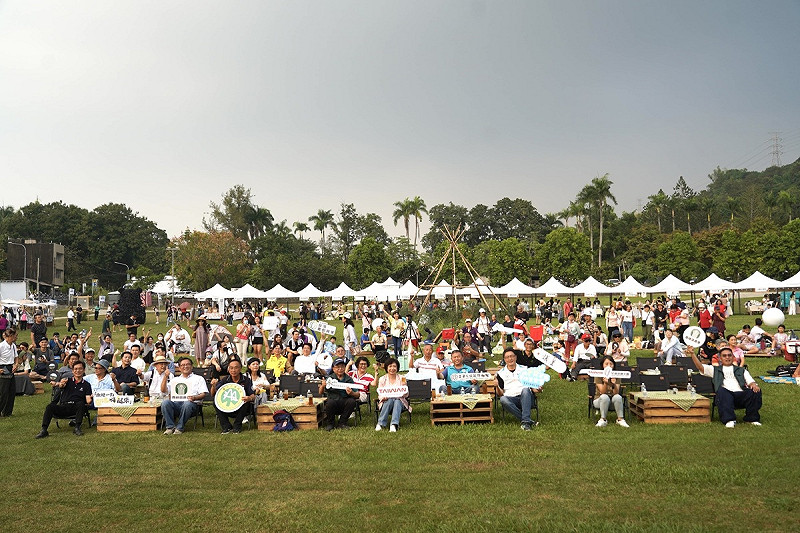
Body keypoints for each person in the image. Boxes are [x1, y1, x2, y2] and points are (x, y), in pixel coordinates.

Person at [689, 346, 762, 428]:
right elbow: (700, 367)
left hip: (741, 395)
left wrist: (753, 384)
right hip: (725, 396)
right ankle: (729, 420)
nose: (727, 357)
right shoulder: (714, 369)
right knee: (722, 391)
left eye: (729, 355)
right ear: (720, 358)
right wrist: (692, 353)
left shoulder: (741, 370)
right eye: (724, 356)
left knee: (755, 391)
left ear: (733, 357)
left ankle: (752, 419)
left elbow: (750, 381)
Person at [35, 360, 92, 438]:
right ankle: (44, 430)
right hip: (64, 406)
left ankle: (77, 427)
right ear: (72, 371)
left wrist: (91, 397)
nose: (77, 371)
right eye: (75, 369)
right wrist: (60, 385)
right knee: (50, 406)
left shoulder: (86, 385)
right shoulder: (67, 381)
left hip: (76, 408)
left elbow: (88, 400)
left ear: (84, 370)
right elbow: (61, 385)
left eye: (80, 369)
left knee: (81, 404)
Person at [161, 357, 208, 435]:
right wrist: (165, 376)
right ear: (179, 368)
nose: (185, 366)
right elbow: (163, 390)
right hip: (177, 404)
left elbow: (203, 393)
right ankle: (170, 427)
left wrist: (194, 397)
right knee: (165, 403)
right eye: (182, 365)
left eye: (187, 364)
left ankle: (180, 427)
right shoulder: (175, 380)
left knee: (187, 403)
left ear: (192, 366)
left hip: (192, 405)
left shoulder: (199, 379)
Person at [496, 348, 538, 430]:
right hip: (511, 399)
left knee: (525, 390)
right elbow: (500, 394)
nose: (510, 359)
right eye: (507, 357)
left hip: (526, 397)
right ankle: (527, 420)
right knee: (503, 399)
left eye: (512, 356)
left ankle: (525, 421)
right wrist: (497, 386)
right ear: (504, 359)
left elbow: (533, 387)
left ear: (516, 357)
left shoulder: (525, 369)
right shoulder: (501, 373)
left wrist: (538, 389)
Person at [210, 359, 255, 434]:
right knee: (215, 402)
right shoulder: (225, 380)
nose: (233, 370)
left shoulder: (246, 380)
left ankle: (237, 426)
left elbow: (253, 395)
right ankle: (226, 427)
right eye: (231, 368)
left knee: (245, 402)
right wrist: (213, 385)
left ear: (240, 368)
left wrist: (249, 398)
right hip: (227, 407)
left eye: (236, 368)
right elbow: (213, 394)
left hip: (242, 407)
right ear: (228, 369)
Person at [319, 358, 359, 431]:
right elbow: (320, 393)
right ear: (333, 369)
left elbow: (357, 394)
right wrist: (322, 386)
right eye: (338, 367)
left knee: (351, 401)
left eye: (342, 367)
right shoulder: (330, 378)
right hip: (333, 401)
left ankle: (342, 423)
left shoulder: (349, 379)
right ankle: (330, 423)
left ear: (345, 368)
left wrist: (352, 393)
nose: (340, 369)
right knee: (330, 403)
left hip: (345, 401)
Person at [592, 356, 629, 428]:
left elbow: (616, 392)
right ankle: (603, 419)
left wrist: (614, 384)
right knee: (604, 397)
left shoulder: (616, 375)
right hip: (599, 400)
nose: (609, 366)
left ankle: (620, 419)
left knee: (618, 397)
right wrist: (605, 383)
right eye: (606, 364)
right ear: (602, 365)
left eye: (611, 364)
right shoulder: (598, 375)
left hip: (612, 401)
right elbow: (602, 392)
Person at [375, 357, 408, 432]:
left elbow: (406, 394)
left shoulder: (402, 378)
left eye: (394, 366)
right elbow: (380, 393)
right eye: (390, 366)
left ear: (397, 368)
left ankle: (394, 424)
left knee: (397, 401)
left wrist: (404, 385)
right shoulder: (382, 379)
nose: (392, 368)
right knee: (389, 400)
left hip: (400, 402)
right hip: (386, 402)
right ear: (386, 368)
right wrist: (383, 397)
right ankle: (380, 424)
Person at [0, 328, 19, 416]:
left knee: (12, 391)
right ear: (10, 336)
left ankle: (7, 412)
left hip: (11, 368)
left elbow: (16, 357)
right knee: (3, 392)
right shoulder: (1, 346)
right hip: (3, 368)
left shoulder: (13, 346)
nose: (16, 337)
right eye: (15, 336)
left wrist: (16, 364)